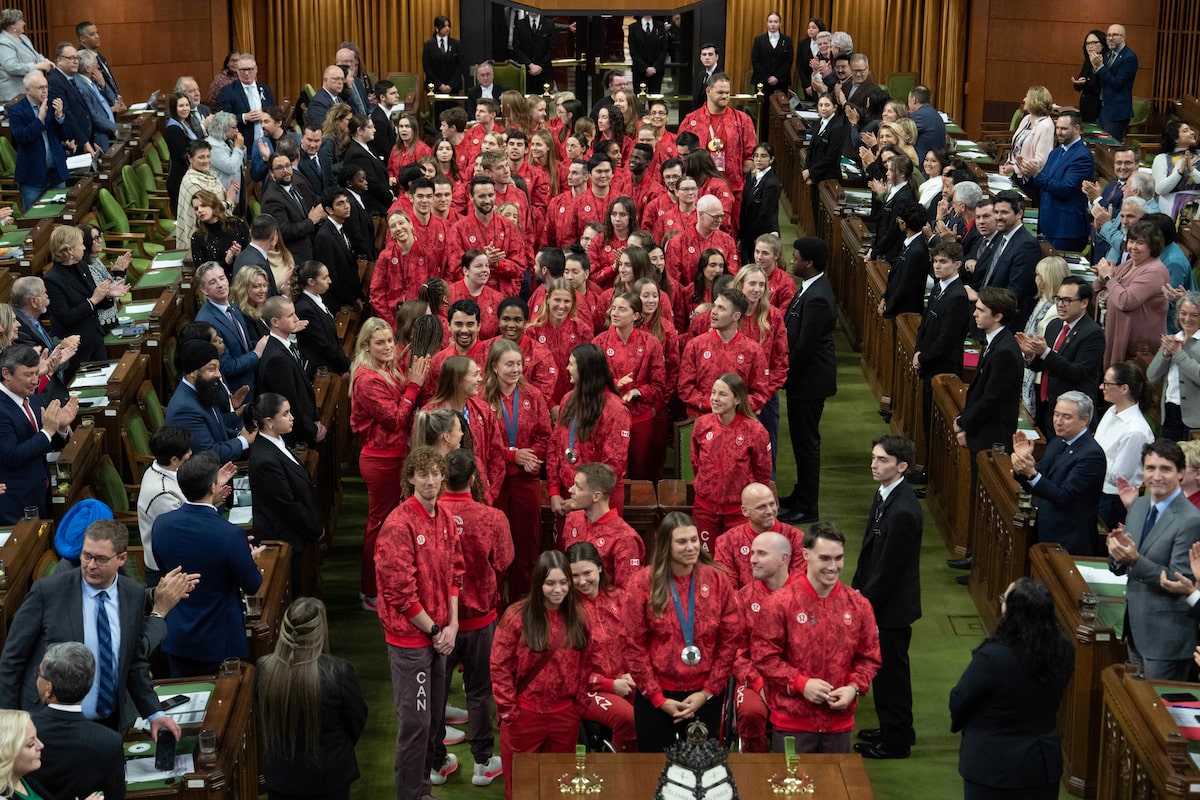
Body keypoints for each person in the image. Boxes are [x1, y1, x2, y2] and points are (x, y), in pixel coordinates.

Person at [0, 520, 182, 741]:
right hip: (47, 723)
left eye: (101, 559)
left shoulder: (132, 595)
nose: (91, 565)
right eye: (86, 556)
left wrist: (154, 713)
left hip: (108, 725)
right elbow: (12, 661)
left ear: (121, 558)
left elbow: (134, 662)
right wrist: (10, 725)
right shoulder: (48, 592)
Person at [376, 446, 464, 800]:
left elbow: (456, 573)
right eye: (422, 474)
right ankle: (410, 795)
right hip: (412, 642)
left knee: (432, 725)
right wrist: (435, 630)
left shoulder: (443, 516)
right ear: (410, 478)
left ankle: (423, 791)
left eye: (435, 473)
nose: (430, 481)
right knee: (415, 725)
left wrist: (453, 626)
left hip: (442, 636)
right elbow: (400, 592)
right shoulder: (398, 523)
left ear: (443, 476)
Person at [752, 521, 881, 754]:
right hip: (792, 723)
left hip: (839, 725)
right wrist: (801, 684)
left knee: (834, 790)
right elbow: (764, 657)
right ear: (805, 555)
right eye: (825, 558)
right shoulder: (780, 604)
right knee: (792, 789)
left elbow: (869, 658)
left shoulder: (859, 605)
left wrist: (854, 688)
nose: (833, 566)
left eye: (839, 558)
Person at [623, 512, 740, 752]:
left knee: (701, 771)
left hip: (705, 696)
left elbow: (729, 642)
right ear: (666, 544)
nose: (691, 547)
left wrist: (707, 692)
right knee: (655, 773)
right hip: (655, 697)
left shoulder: (718, 580)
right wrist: (657, 698)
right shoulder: (642, 583)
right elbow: (633, 645)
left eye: (694, 540)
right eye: (682, 542)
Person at [429, 450, 511, 788]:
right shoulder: (492, 517)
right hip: (479, 620)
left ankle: (436, 765)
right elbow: (505, 561)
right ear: (474, 480)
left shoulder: (429, 515)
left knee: (437, 692)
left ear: (443, 478)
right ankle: (481, 764)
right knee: (479, 692)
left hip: (438, 623)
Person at [950, 577, 1073, 799]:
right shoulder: (1064, 650)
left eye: (1004, 600)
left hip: (993, 768)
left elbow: (959, 701)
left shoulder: (993, 657)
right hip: (1042, 765)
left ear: (1014, 613)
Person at [151, 451, 263, 676]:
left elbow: (167, 568)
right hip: (219, 643)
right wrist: (245, 559)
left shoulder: (161, 525)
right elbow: (252, 585)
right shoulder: (231, 536)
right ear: (213, 487)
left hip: (178, 638)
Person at [491, 550, 591, 798]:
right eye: (550, 583)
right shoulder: (516, 616)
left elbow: (587, 664)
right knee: (521, 787)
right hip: (523, 716)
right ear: (539, 584)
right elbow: (499, 665)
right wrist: (508, 710)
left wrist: (578, 705)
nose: (558, 589)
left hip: (564, 716)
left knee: (557, 786)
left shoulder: (580, 617)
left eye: (563, 582)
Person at [851, 436, 922, 760]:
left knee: (890, 675)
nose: (873, 464)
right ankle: (895, 728)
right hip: (880, 602)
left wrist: (862, 603)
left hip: (889, 609)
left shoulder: (904, 510)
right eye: (873, 457)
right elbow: (871, 553)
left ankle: (896, 742)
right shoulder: (886, 494)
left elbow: (889, 570)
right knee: (887, 673)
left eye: (881, 460)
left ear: (901, 466)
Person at [256, 598, 367, 800]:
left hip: (282, 777)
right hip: (330, 777)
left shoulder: (264, 668)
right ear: (320, 630)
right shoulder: (339, 672)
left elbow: (262, 713)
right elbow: (356, 721)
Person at [1107, 439, 1200, 679]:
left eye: (1165, 469)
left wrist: (1135, 559)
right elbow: (1121, 565)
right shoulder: (1138, 506)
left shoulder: (1191, 520)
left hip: (1166, 639)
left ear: (1180, 473)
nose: (1156, 476)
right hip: (1135, 628)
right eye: (1150, 468)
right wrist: (1117, 554)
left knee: (1155, 712)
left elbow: (1179, 580)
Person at [950, 288, 1024, 582]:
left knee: (987, 503)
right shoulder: (996, 342)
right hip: (983, 430)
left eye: (980, 310)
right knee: (979, 501)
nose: (975, 313)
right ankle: (975, 557)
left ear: (998, 315)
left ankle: (984, 567)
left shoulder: (1005, 350)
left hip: (993, 435)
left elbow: (991, 398)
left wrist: (964, 422)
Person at [781, 238, 837, 525]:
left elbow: (804, 347)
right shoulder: (810, 288)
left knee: (806, 445)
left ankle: (808, 506)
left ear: (809, 263)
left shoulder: (817, 297)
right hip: (803, 380)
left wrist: (783, 375)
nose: (792, 260)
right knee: (802, 442)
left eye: (796, 256)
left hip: (808, 382)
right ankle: (800, 493)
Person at [1011, 392, 1107, 555]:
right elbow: (1037, 481)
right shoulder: (1057, 442)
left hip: (1068, 540)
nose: (1058, 421)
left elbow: (1064, 496)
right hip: (1045, 530)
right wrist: (1023, 464)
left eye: (1066, 417)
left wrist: (1032, 473)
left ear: (1084, 421)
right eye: (1056, 414)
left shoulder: (1091, 455)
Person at [246, 392, 321, 595]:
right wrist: (314, 528)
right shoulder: (265, 459)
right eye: (286, 414)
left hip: (293, 534)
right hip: (283, 539)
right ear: (269, 421)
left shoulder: (276, 442)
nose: (292, 417)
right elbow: (287, 505)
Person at [28, 641, 124, 800]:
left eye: (39, 674)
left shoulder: (21, 730)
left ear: (48, 689)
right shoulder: (110, 741)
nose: (37, 678)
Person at [546, 344, 631, 516]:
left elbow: (613, 464)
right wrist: (554, 491)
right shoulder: (567, 400)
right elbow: (555, 446)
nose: (567, 368)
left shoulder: (616, 410)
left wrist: (581, 499)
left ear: (585, 369)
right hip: (566, 494)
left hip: (599, 499)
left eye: (571, 364)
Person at [728, 530, 794, 753]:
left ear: (783, 559)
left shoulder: (805, 596)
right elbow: (735, 652)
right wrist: (758, 683)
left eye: (761, 553)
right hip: (755, 679)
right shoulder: (742, 598)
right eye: (752, 553)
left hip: (797, 680)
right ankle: (757, 766)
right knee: (750, 711)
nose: (752, 559)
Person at [691, 373, 772, 548]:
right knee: (705, 564)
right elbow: (696, 463)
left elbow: (762, 473)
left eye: (722, 394)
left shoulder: (755, 431)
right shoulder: (701, 425)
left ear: (737, 399)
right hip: (705, 510)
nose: (715, 399)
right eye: (713, 393)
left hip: (739, 513)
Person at [1017, 274, 1106, 432]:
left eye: (1067, 300)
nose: (1060, 305)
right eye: (1058, 299)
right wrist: (1031, 354)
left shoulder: (1093, 333)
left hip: (1071, 414)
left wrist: (1045, 352)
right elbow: (1043, 364)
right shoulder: (1054, 325)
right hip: (1047, 404)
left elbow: (1077, 373)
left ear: (1084, 303)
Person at [0, 344, 76, 524]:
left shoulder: (31, 397)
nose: (35, 381)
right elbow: (12, 456)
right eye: (28, 375)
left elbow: (42, 441)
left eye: (36, 373)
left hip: (40, 490)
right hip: (15, 504)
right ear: (6, 374)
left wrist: (60, 428)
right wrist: (47, 431)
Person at [43, 225, 126, 373]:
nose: (83, 247)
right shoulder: (52, 280)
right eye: (80, 244)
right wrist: (93, 300)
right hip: (77, 348)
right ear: (69, 251)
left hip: (95, 338)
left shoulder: (81, 266)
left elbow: (96, 301)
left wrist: (107, 295)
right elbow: (66, 317)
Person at [678, 289, 768, 418]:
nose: (713, 311)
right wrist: (713, 404)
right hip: (701, 421)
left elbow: (760, 392)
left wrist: (734, 406)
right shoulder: (695, 345)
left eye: (721, 308)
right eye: (714, 306)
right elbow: (685, 388)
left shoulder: (753, 351)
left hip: (739, 423)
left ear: (736, 316)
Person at [164, 339, 257, 462]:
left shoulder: (203, 389)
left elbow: (217, 427)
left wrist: (240, 434)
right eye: (211, 369)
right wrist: (243, 441)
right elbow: (208, 454)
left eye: (218, 368)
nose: (218, 374)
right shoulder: (185, 409)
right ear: (193, 372)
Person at [1095, 220, 1170, 370]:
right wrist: (1102, 278)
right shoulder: (1131, 264)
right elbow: (1097, 288)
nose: (1133, 247)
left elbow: (1125, 301)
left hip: (1134, 351)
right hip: (1111, 336)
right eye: (1131, 241)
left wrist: (1109, 278)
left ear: (1153, 245)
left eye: (1140, 242)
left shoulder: (1154, 271)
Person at [559, 462, 645, 587]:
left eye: (578, 486)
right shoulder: (573, 519)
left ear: (596, 496)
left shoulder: (625, 538)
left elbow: (627, 593)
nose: (570, 490)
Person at [257, 296, 324, 447]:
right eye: (290, 316)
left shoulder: (283, 346)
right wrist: (313, 430)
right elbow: (290, 402)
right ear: (275, 322)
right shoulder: (276, 359)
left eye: (294, 313)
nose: (296, 319)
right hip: (296, 437)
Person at [1096, 362, 1154, 527]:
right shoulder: (1111, 411)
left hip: (1112, 500)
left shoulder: (1136, 431)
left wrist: (1088, 464)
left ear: (1124, 388)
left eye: (1107, 383)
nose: (1102, 386)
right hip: (1097, 488)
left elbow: (1120, 476)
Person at [0, 709, 104, 800]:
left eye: (37, 737)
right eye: (31, 744)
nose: (41, 745)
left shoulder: (25, 778)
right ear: (5, 754)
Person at [1028, 112, 1095, 252]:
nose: (1059, 132)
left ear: (1076, 129)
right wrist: (1029, 172)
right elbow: (1042, 181)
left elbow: (1065, 188)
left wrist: (1037, 174)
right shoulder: (1056, 152)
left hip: (1066, 229)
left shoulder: (1082, 156)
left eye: (1064, 129)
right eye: (1057, 128)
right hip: (1049, 224)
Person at [136, 426, 192, 588]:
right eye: (187, 451)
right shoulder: (162, 493)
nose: (190, 454)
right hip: (167, 572)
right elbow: (185, 530)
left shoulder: (164, 469)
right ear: (174, 459)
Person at [9, 70, 68, 213]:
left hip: (56, 173)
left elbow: (65, 135)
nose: (45, 91)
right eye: (40, 88)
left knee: (60, 215)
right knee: (33, 217)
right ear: (28, 90)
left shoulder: (53, 104)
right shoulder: (16, 110)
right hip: (32, 175)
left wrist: (60, 117)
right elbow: (21, 137)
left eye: (46, 87)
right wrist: (39, 120)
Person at [1148, 291, 1200, 442]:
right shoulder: (1172, 339)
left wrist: (1178, 354)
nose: (1187, 319)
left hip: (1195, 420)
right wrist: (1165, 354)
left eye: (1194, 315)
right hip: (1169, 412)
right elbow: (1151, 376)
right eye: (1183, 313)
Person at [261, 152, 325, 266]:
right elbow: (284, 232)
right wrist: (311, 222)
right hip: (294, 259)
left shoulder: (294, 186)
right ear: (271, 173)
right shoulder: (272, 199)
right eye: (279, 168)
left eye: (287, 166)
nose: (285, 170)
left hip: (310, 250)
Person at [999, 86, 1055, 201]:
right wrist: (1008, 164)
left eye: (1027, 97)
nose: (1024, 99)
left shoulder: (1046, 126)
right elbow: (1017, 147)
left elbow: (1040, 160)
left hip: (1030, 182)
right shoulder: (1027, 119)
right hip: (1017, 175)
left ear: (1035, 101)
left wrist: (1014, 168)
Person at [802, 93, 845, 232]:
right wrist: (807, 169)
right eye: (821, 105)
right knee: (816, 213)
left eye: (827, 105)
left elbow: (830, 157)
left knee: (823, 219)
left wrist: (812, 172)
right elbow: (811, 148)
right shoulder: (819, 122)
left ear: (834, 107)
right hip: (815, 175)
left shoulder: (837, 127)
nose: (823, 108)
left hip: (828, 176)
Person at [1093, 24, 1138, 142]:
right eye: (1108, 35)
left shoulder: (1129, 57)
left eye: (1115, 35)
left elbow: (1117, 83)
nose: (1110, 38)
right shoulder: (1108, 55)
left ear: (1123, 37)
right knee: (1100, 146)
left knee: (1109, 147)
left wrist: (1100, 67)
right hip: (1104, 108)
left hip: (1117, 112)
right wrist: (1096, 69)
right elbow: (1104, 79)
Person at [218, 53, 276, 143]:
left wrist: (264, 115)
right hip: (243, 142)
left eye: (249, 69)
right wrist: (244, 117)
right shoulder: (228, 91)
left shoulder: (265, 89)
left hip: (267, 140)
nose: (246, 73)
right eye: (242, 70)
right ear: (237, 71)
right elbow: (222, 119)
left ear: (256, 69)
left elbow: (274, 112)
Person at [191, 189, 250, 275]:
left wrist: (239, 255)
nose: (199, 210)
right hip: (217, 284)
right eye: (196, 208)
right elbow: (202, 273)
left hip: (243, 278)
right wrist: (226, 262)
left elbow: (251, 255)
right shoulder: (198, 237)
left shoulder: (236, 224)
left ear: (213, 204)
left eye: (203, 205)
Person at [740, 145, 781, 265]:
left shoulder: (771, 183)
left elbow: (764, 216)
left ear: (771, 159)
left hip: (761, 236)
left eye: (763, 156)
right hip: (751, 233)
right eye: (756, 156)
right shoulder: (755, 178)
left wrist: (746, 239)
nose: (758, 159)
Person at [1151, 121, 1200, 220]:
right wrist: (1179, 172)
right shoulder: (1162, 158)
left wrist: (1192, 171)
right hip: (1171, 203)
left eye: (1190, 129)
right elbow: (1160, 189)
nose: (1192, 132)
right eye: (1186, 131)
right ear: (1175, 139)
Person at [750, 13, 794, 100]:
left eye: (776, 22)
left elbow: (789, 61)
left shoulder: (787, 40)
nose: (773, 24)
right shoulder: (759, 40)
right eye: (770, 22)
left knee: (780, 110)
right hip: (762, 82)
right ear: (767, 23)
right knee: (763, 110)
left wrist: (777, 77)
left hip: (781, 82)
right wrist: (767, 77)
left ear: (780, 23)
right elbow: (755, 60)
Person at [423, 16, 466, 96]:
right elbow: (427, 67)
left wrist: (450, 85)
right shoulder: (428, 45)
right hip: (435, 87)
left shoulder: (456, 44)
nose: (447, 28)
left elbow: (460, 65)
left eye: (448, 26)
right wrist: (440, 85)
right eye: (444, 26)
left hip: (453, 87)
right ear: (436, 28)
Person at [1073, 31, 1107, 124]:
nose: (1090, 46)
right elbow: (1079, 84)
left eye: (1094, 43)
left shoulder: (1107, 61)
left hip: (1098, 108)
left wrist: (1085, 83)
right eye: (1087, 43)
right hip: (1085, 105)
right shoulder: (1088, 61)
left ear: (1103, 44)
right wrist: (1078, 83)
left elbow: (1098, 88)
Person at [906, 86, 946, 164]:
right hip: (935, 160)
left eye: (908, 101)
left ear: (913, 99)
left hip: (924, 164)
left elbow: (900, 133)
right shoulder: (932, 112)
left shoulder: (919, 116)